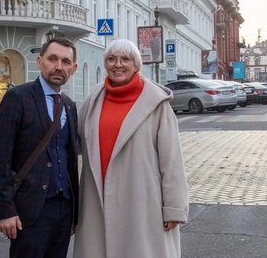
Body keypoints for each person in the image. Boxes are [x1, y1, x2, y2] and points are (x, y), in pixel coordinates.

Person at [73, 39, 189, 258]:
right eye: (111, 59)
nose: (118, 64)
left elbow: (172, 160)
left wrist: (174, 207)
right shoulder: (94, 99)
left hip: (142, 199)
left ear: (136, 66)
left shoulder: (157, 104)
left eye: (125, 59)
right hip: (97, 199)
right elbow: (75, 143)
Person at [0, 37, 80, 258]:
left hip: (63, 210)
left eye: (66, 61)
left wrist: (74, 213)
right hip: (29, 210)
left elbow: (70, 161)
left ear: (73, 68)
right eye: (52, 59)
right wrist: (5, 211)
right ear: (40, 62)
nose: (59, 66)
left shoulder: (69, 105)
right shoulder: (17, 98)